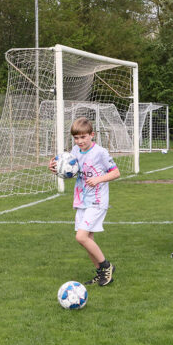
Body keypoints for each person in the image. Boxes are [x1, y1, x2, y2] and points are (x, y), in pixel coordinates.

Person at [49, 117, 120, 286]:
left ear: (92, 135)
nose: (79, 141)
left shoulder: (100, 152)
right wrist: (55, 168)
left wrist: (99, 179)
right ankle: (101, 274)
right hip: (81, 201)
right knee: (88, 240)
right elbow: (70, 171)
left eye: (83, 137)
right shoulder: (74, 151)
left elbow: (116, 172)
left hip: (97, 200)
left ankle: (107, 266)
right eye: (76, 138)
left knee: (80, 237)